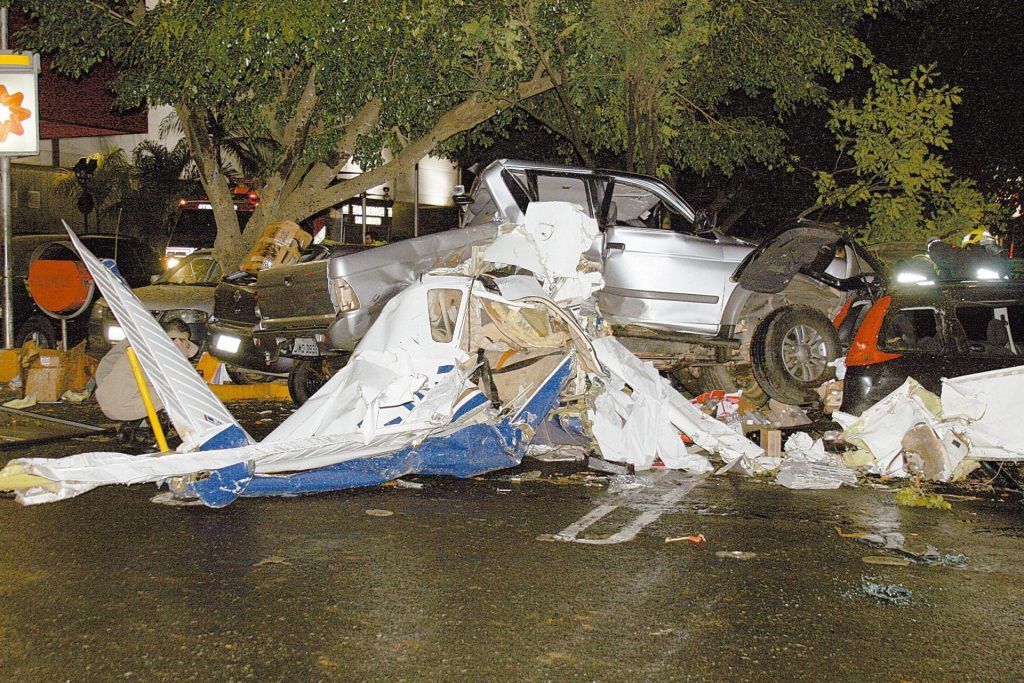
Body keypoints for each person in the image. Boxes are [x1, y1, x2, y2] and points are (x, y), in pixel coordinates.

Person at [95, 318, 199, 443]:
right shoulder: (167, 348)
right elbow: (178, 379)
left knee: (147, 385)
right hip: (125, 406)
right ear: (177, 339)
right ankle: (155, 433)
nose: (187, 345)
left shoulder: (137, 339)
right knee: (181, 388)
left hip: (106, 401)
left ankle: (133, 425)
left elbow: (105, 366)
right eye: (186, 341)